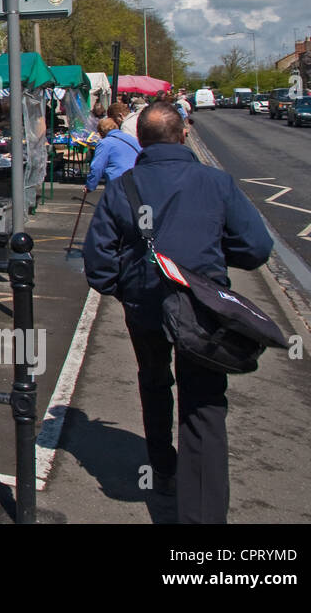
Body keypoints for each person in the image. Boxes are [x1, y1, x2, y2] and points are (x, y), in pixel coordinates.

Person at [83, 102, 272, 523]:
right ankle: (202, 515)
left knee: (153, 381)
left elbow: (97, 261)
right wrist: (215, 259)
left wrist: (125, 289)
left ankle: (163, 468)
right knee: (204, 405)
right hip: (203, 308)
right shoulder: (216, 183)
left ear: (141, 141)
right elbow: (256, 247)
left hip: (146, 305)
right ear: (183, 133)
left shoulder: (124, 187)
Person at [84, 117, 141, 192]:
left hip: (119, 183)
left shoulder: (105, 143)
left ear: (101, 132)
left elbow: (97, 167)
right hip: (138, 180)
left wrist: (90, 186)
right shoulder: (132, 139)